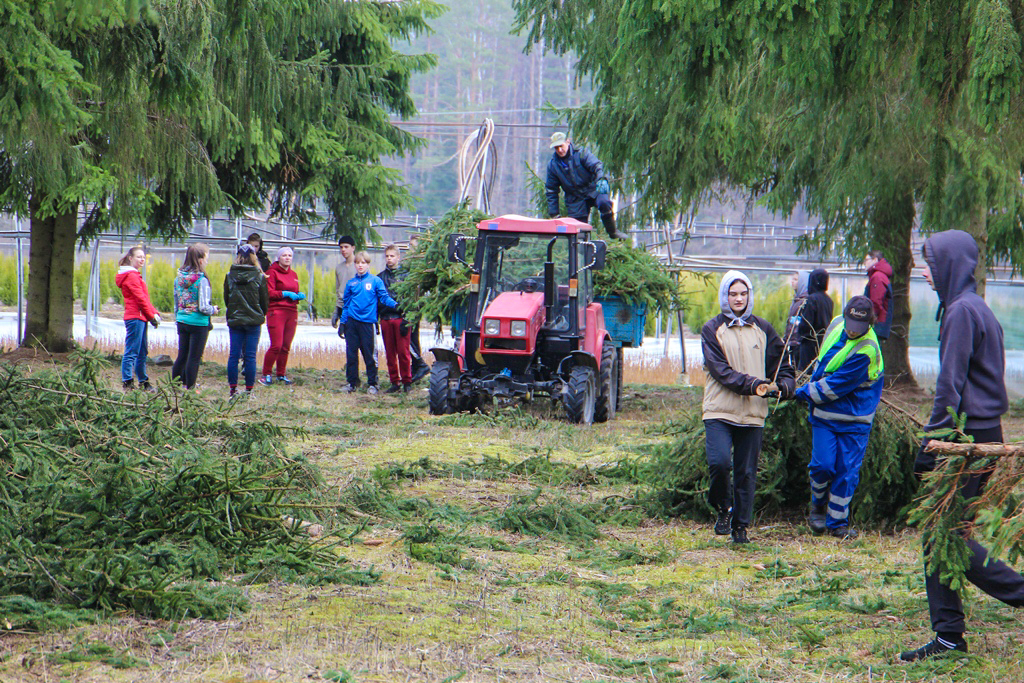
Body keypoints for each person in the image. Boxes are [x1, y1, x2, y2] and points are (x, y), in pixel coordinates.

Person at [899, 229, 1024, 662]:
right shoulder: (973, 306)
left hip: (967, 442)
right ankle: (949, 635)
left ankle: (1017, 596)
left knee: (946, 537)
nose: (925, 272)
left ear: (949, 264)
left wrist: (932, 443)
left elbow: (949, 388)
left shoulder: (960, 313)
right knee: (942, 535)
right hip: (979, 435)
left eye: (930, 263)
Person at [701, 270, 795, 544]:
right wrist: (755, 384)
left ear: (750, 296)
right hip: (719, 410)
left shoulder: (763, 329)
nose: (738, 299)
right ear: (724, 296)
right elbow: (721, 371)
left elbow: (782, 365)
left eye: (743, 293)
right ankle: (722, 508)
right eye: (733, 294)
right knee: (719, 464)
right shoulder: (711, 329)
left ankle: (740, 528)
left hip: (753, 414)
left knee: (746, 473)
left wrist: (787, 386)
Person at [794, 296, 883, 540]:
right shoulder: (836, 325)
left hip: (855, 420)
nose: (853, 330)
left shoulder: (867, 350)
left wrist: (799, 393)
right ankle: (818, 506)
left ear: (870, 325)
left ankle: (837, 523)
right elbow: (823, 363)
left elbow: (834, 386)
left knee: (846, 472)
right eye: (850, 323)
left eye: (859, 327)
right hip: (825, 416)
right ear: (845, 316)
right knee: (822, 465)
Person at [340, 251, 400, 395]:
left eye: (363, 263)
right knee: (351, 354)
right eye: (358, 263)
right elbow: (346, 304)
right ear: (355, 265)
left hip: (368, 323)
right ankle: (352, 383)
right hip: (352, 323)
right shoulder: (351, 283)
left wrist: (397, 306)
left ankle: (373, 383)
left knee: (370, 355)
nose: (360, 266)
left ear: (368, 265)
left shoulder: (375, 281)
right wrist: (343, 322)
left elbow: (384, 298)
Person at [545, 131, 620, 239]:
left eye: (561, 146)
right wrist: (554, 214)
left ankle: (613, 232)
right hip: (575, 198)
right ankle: (585, 251)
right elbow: (551, 190)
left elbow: (598, 166)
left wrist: (601, 180)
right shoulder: (553, 166)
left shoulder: (581, 153)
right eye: (556, 148)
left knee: (604, 203)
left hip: (594, 188)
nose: (559, 150)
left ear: (568, 142)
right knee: (578, 233)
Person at [171, 243, 219, 390]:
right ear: (199, 260)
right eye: (206, 257)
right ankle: (190, 387)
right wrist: (214, 310)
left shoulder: (178, 278)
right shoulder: (201, 280)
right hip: (198, 323)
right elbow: (204, 307)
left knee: (182, 355)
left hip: (182, 320)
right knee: (194, 357)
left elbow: (176, 302)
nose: (207, 261)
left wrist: (179, 316)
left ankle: (175, 385)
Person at [225, 244, 269, 397]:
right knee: (250, 356)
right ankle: (249, 390)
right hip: (253, 321)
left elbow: (227, 299)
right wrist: (259, 313)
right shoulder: (259, 276)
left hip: (235, 320)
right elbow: (264, 301)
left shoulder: (230, 275)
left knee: (233, 355)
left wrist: (233, 312)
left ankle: (233, 389)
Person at [115, 246, 161, 391]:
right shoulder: (131, 276)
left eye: (143, 257)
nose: (142, 260)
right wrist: (151, 316)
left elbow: (145, 299)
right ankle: (127, 381)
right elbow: (140, 299)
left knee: (142, 352)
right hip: (135, 318)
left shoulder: (134, 275)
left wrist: (154, 313)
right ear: (130, 258)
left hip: (141, 317)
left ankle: (143, 380)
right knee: (132, 351)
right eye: (138, 257)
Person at [260, 246, 305, 386]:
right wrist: (284, 293)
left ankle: (281, 374)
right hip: (276, 311)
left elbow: (295, 292)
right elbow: (269, 293)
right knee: (276, 345)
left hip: (291, 311)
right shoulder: (272, 273)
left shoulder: (294, 275)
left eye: (289, 256)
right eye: (284, 255)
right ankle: (266, 374)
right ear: (278, 257)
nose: (287, 258)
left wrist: (298, 296)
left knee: (285, 346)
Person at [378, 244, 413, 393]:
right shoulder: (380, 278)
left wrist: (408, 319)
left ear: (398, 257)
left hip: (401, 318)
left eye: (392, 256)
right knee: (390, 352)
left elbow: (412, 299)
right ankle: (394, 381)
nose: (389, 259)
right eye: (387, 256)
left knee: (403, 352)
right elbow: (378, 300)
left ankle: (407, 381)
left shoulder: (406, 276)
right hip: (386, 318)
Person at [797, 268, 833, 373]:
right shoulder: (828, 300)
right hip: (823, 341)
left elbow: (806, 323)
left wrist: (801, 335)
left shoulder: (811, 299)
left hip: (810, 342)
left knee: (805, 373)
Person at [406, 234, 430, 384]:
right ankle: (415, 367)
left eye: (414, 246)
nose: (411, 249)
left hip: (415, 304)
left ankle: (419, 365)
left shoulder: (422, 264)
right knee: (413, 336)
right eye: (410, 246)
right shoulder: (408, 263)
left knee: (411, 336)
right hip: (408, 303)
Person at [863, 250, 893, 340]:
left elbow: (875, 302)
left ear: (875, 260)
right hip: (879, 323)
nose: (864, 263)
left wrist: (869, 320)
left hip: (877, 324)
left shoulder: (877, 277)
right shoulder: (880, 275)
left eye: (866, 260)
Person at [783, 271, 809, 369]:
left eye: (795, 279)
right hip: (793, 341)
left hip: (799, 342)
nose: (792, 282)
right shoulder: (796, 300)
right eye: (792, 279)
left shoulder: (805, 301)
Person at [332, 236, 356, 339]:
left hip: (357, 308)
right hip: (343, 308)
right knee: (350, 345)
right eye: (341, 247)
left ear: (353, 248)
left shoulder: (359, 266)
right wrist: (336, 311)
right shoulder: (339, 267)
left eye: (346, 247)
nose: (343, 250)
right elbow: (338, 290)